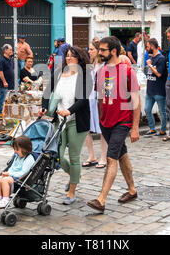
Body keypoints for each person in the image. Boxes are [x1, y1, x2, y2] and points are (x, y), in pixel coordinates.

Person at [86, 36, 140, 213]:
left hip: (122, 121)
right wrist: (102, 120)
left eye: (103, 50)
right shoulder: (101, 71)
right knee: (122, 155)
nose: (99, 52)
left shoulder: (126, 71)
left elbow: (136, 100)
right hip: (106, 122)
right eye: (99, 50)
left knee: (111, 158)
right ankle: (132, 190)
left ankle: (101, 199)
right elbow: (101, 98)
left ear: (114, 51)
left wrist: (135, 127)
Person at [40, 46, 92, 205]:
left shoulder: (85, 76)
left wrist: (69, 111)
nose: (68, 59)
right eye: (67, 56)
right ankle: (75, 175)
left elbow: (83, 100)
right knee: (57, 155)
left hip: (77, 120)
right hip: (59, 120)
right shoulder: (58, 74)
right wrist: (44, 106)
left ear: (80, 59)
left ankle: (72, 191)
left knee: (74, 157)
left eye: (72, 56)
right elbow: (47, 92)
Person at [0, 136, 36, 208]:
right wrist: (7, 173)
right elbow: (12, 168)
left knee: (5, 180)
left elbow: (24, 173)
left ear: (25, 149)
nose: (15, 151)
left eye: (17, 149)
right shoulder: (17, 157)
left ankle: (5, 199)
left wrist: (9, 174)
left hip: (20, 178)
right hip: (11, 176)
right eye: (14, 149)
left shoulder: (29, 159)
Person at [83, 40, 108, 169]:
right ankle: (91, 155)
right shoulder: (90, 64)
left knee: (102, 128)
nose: (89, 51)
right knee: (87, 128)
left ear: (98, 51)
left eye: (91, 49)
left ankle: (103, 156)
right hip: (89, 98)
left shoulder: (104, 65)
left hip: (99, 99)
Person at [144, 38, 168, 137]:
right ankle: (152, 128)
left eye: (147, 46)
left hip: (159, 90)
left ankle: (163, 130)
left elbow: (158, 74)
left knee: (162, 111)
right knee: (147, 109)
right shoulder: (152, 58)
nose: (146, 48)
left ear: (152, 46)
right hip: (150, 90)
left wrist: (150, 65)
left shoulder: (161, 58)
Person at [0, 44, 15, 117]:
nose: (11, 51)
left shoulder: (11, 60)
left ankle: (9, 112)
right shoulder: (1, 60)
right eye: (10, 50)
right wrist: (4, 81)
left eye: (11, 50)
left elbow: (12, 70)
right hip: (5, 83)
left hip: (11, 82)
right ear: (5, 50)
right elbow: (0, 72)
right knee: (2, 98)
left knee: (11, 98)